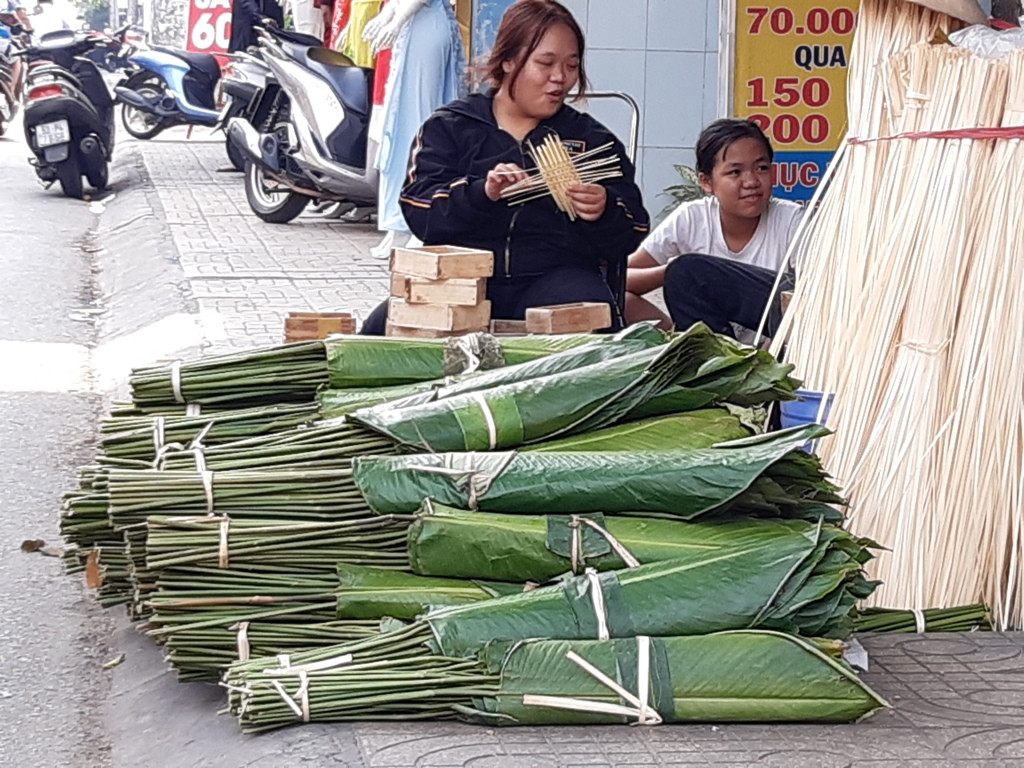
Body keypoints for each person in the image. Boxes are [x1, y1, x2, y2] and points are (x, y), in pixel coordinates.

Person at [360, 0, 649, 334]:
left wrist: (604, 210)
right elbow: (419, 211)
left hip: (557, 278)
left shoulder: (592, 142)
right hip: (464, 279)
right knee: (380, 330)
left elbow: (634, 230)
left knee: (591, 324)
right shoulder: (451, 127)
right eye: (546, 63)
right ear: (509, 60)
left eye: (571, 66)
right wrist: (481, 193)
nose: (560, 78)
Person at [625, 118, 802, 338]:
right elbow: (621, 278)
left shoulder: (792, 220)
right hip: (716, 350)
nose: (751, 181)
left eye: (762, 168)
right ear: (706, 182)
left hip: (778, 343)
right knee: (624, 298)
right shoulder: (692, 217)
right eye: (735, 172)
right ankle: (696, 352)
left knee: (689, 271)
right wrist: (671, 271)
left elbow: (812, 302)